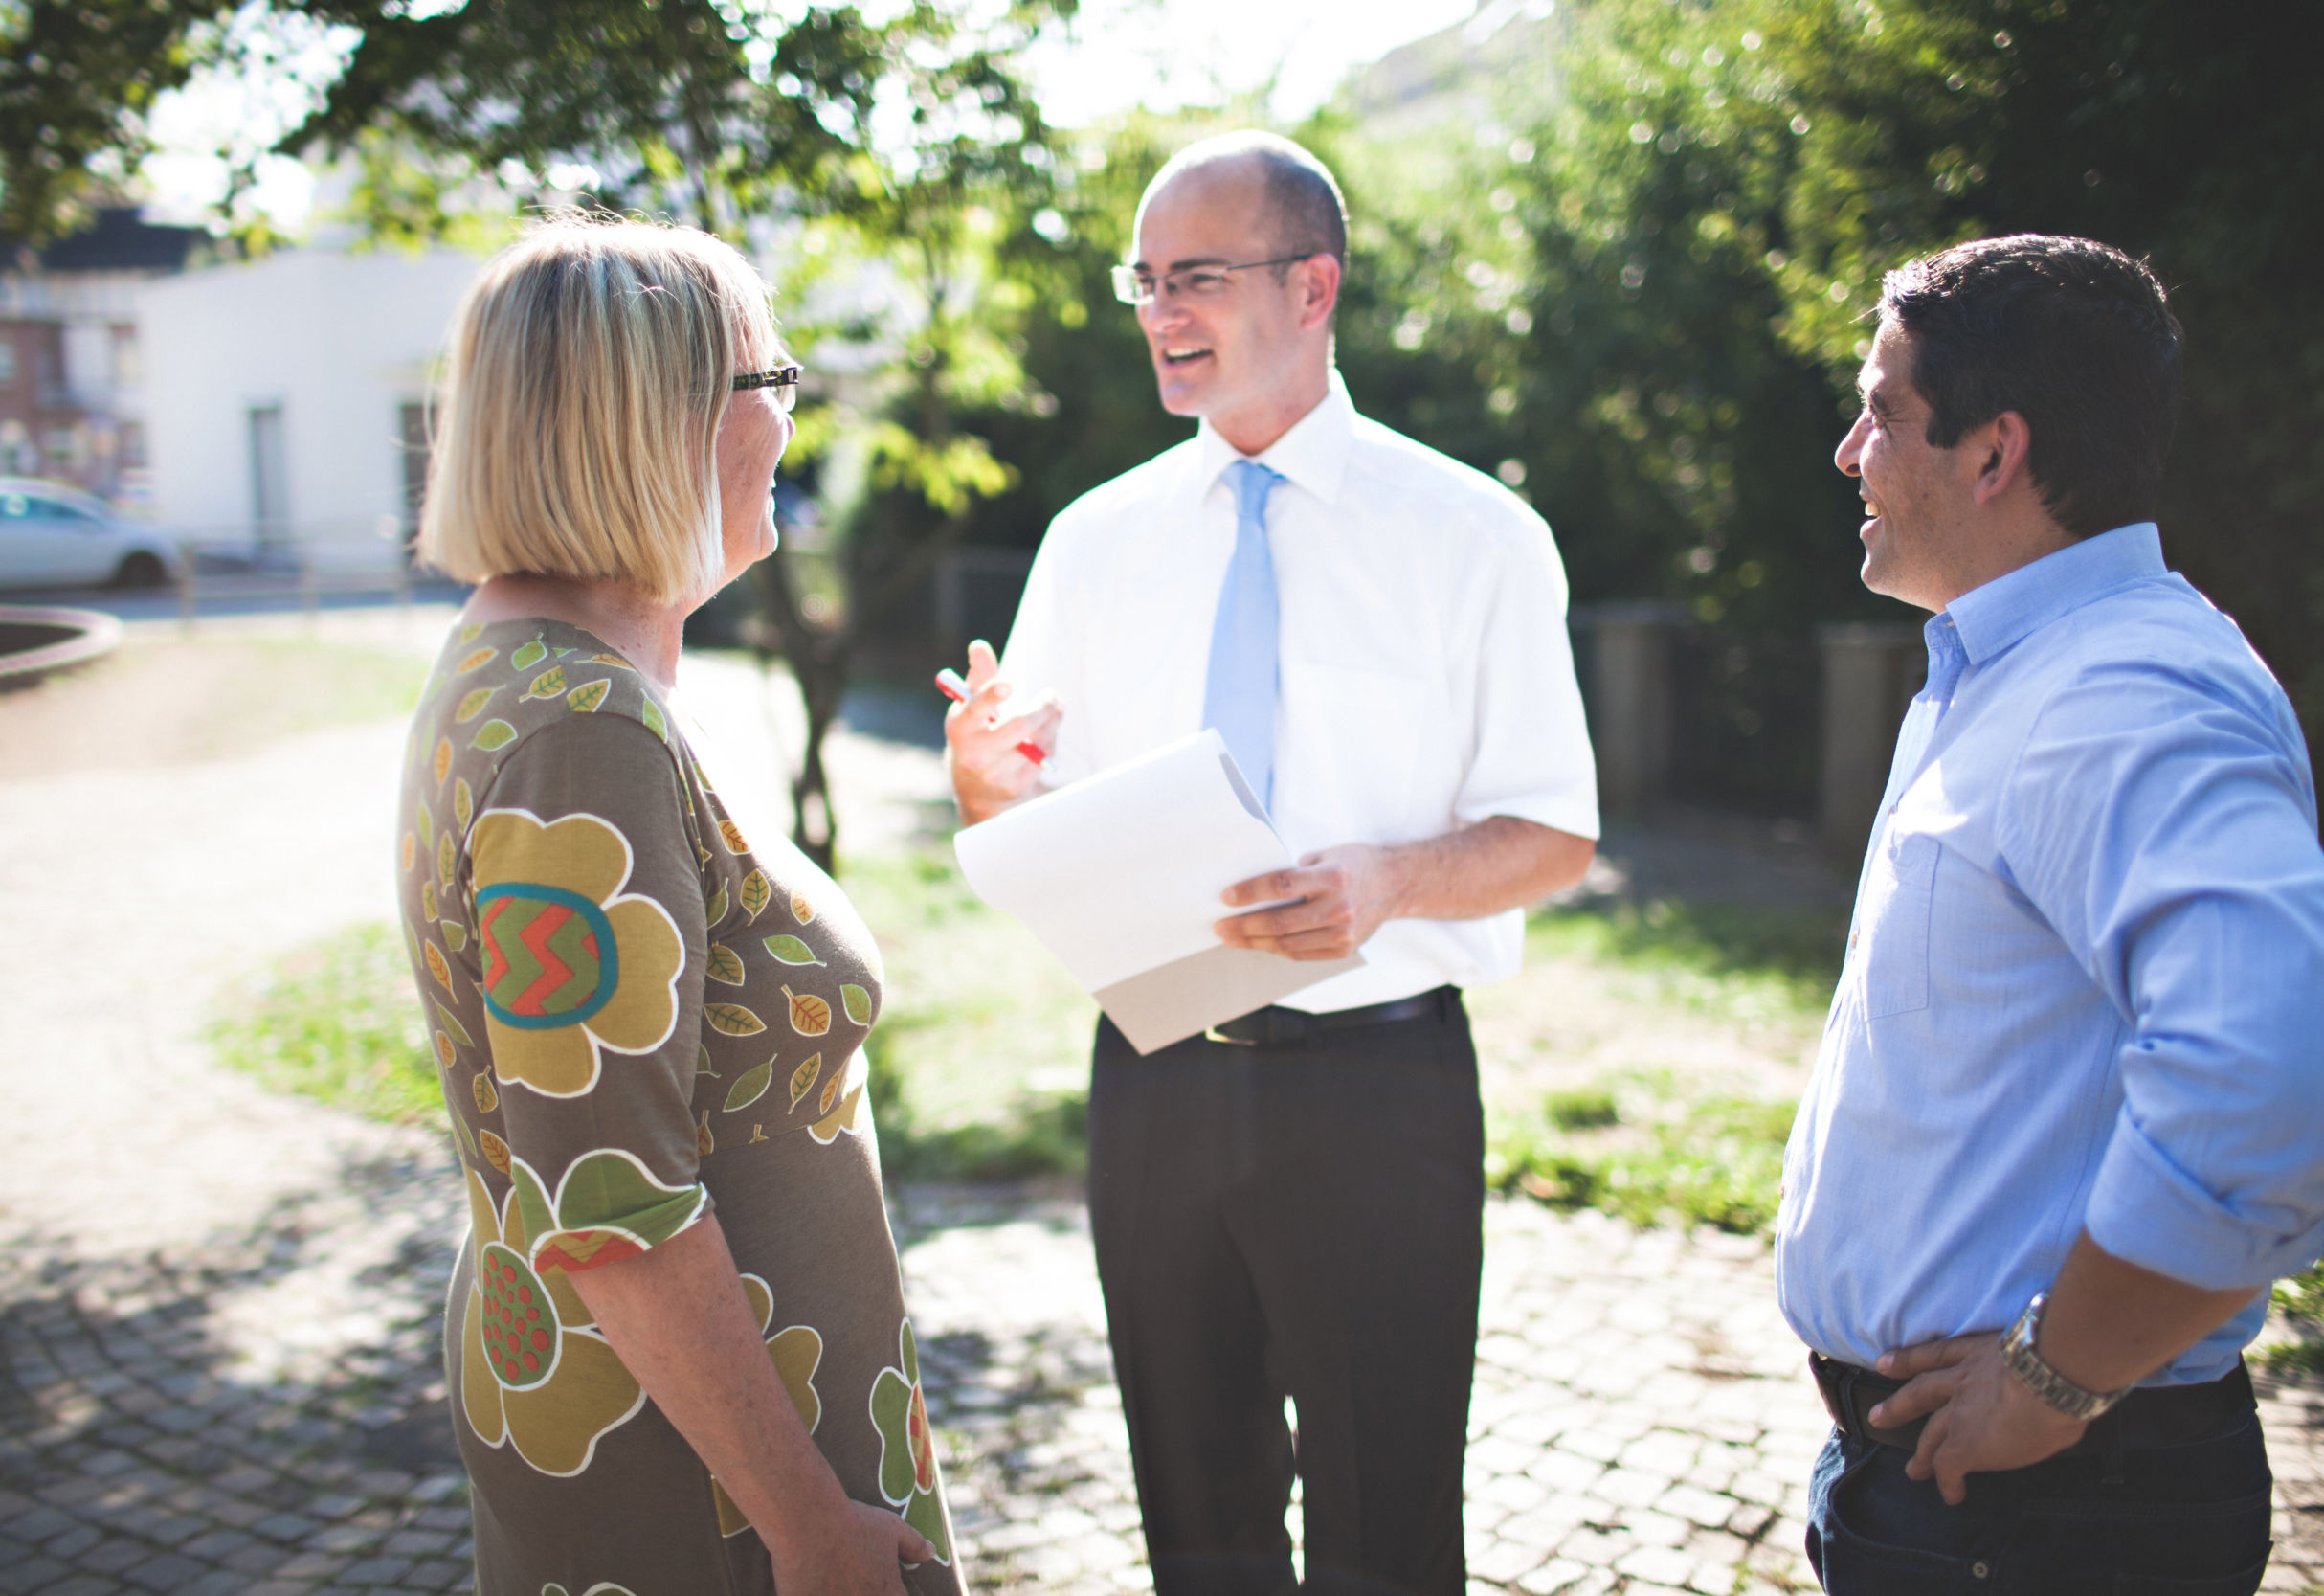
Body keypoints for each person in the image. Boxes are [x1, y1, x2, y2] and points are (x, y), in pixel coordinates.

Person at [942, 131, 1599, 1595]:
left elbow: (1555, 829)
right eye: (1146, 280)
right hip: (1155, 1079)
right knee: (1197, 1520)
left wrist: (1388, 882)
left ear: (1315, 286)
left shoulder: (1474, 537)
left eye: (1198, 277)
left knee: (1388, 1526)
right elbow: (1028, 817)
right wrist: (988, 790)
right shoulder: (1093, 541)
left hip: (1379, 1088)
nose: (1162, 311)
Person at [1779, 233, 2324, 1594]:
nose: (1847, 452)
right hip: (1952, 1495)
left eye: (1879, 410)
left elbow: (2283, 1069)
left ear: (1992, 455)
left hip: (2053, 1515)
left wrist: (2056, 1381)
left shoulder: (2124, 697)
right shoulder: (2006, 666)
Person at [397, 214, 964, 1596]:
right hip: (705, 1495)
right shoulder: (577, 728)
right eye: (774, 383)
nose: (791, 422)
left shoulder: (543, 666)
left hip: (683, 1439)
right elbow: (615, 1203)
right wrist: (811, 1526)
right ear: (657, 422)